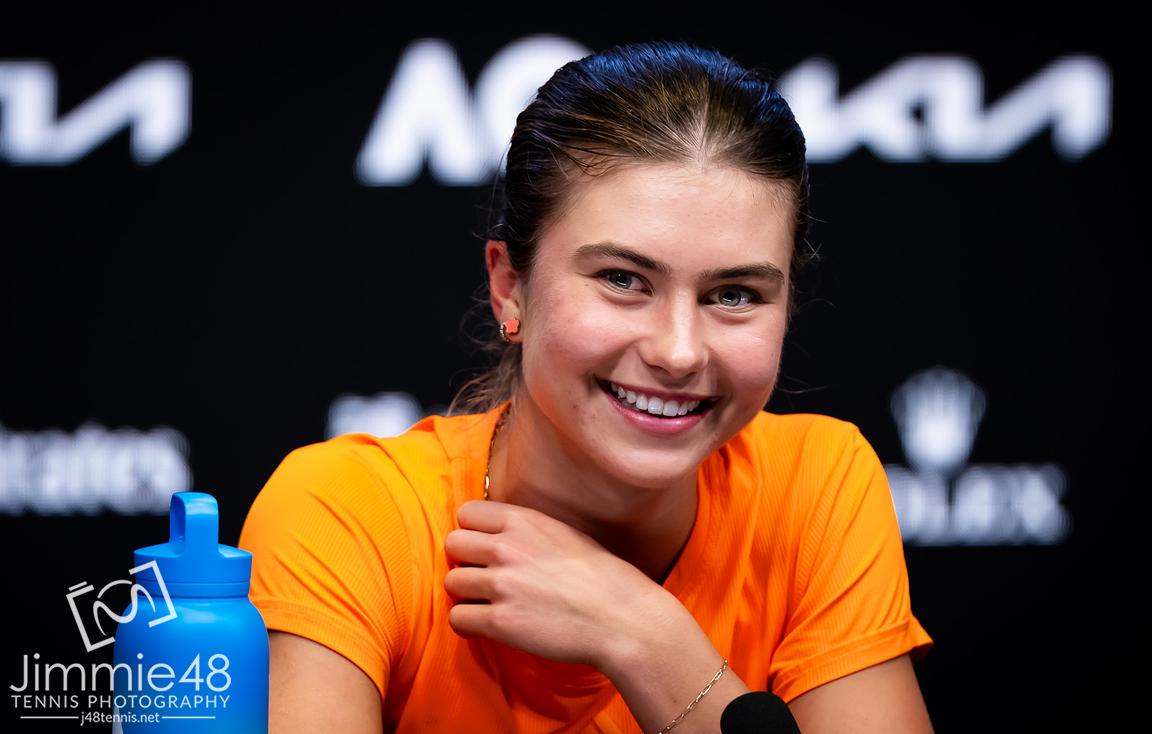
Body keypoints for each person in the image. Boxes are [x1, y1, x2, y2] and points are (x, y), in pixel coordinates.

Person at [238, 39, 934, 733]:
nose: (679, 351)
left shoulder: (817, 484)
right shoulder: (349, 511)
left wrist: (647, 639)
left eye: (734, 294)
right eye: (622, 280)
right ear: (511, 288)